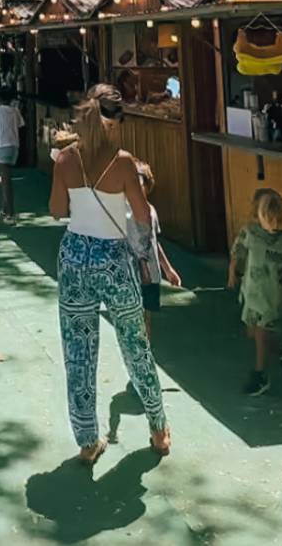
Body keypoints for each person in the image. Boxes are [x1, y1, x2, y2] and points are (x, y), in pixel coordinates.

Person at [49, 85, 171, 462]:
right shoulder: (122, 163)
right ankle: (157, 426)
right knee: (135, 343)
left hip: (74, 257)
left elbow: (56, 211)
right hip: (114, 258)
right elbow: (139, 212)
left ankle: (87, 440)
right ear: (113, 122)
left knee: (79, 352)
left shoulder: (64, 159)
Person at [228, 188, 282, 395]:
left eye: (277, 219)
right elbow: (238, 251)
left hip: (272, 297)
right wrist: (232, 274)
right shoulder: (251, 233)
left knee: (262, 333)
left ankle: (260, 375)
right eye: (269, 218)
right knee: (253, 333)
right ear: (259, 216)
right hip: (252, 293)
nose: (274, 224)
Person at [128, 162, 181, 339]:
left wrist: (168, 269)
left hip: (150, 270)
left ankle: (146, 349)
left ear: (146, 185)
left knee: (146, 314)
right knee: (131, 313)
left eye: (139, 181)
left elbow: (154, 241)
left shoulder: (151, 211)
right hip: (129, 269)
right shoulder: (123, 211)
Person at [0, 93, 24, 223]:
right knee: (5, 178)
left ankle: (10, 213)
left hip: (2, 145)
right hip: (14, 146)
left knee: (6, 180)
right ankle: (5, 209)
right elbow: (20, 124)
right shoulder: (15, 111)